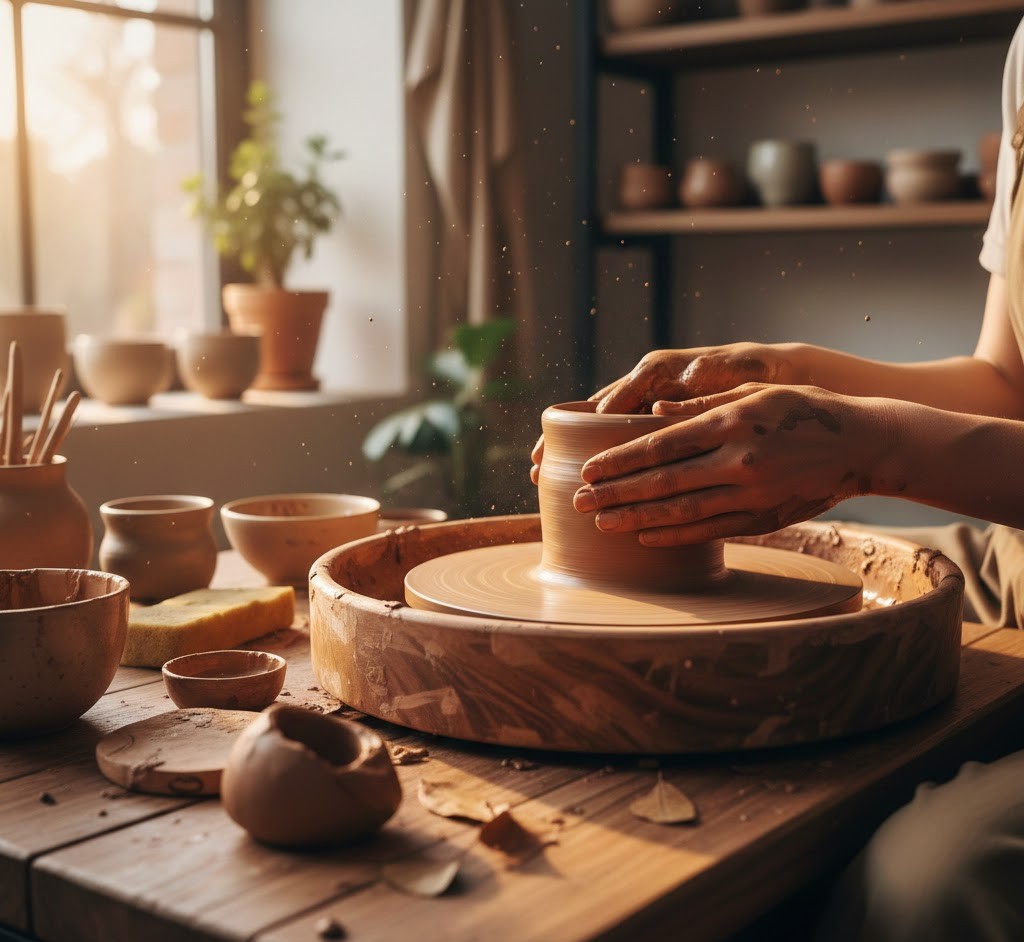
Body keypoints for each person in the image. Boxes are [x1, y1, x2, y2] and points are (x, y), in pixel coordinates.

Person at [529, 16, 1024, 942]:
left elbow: (910, 441)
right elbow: (1005, 383)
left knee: (935, 881)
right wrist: (783, 375)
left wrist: (875, 447)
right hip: (1016, 556)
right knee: (756, 635)